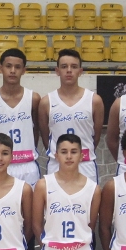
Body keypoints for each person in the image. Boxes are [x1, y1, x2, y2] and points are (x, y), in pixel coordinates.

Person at [38, 49, 104, 182]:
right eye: (64, 67)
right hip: (57, 164)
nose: (69, 70)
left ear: (80, 71)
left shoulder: (94, 100)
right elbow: (45, 136)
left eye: (74, 67)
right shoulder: (46, 102)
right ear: (57, 71)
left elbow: (96, 137)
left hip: (85, 164)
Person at [0, 48, 42, 186]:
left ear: (24, 70)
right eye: (8, 66)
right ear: (0, 68)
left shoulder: (33, 99)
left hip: (28, 165)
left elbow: (36, 130)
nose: (13, 71)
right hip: (1, 166)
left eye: (17, 67)